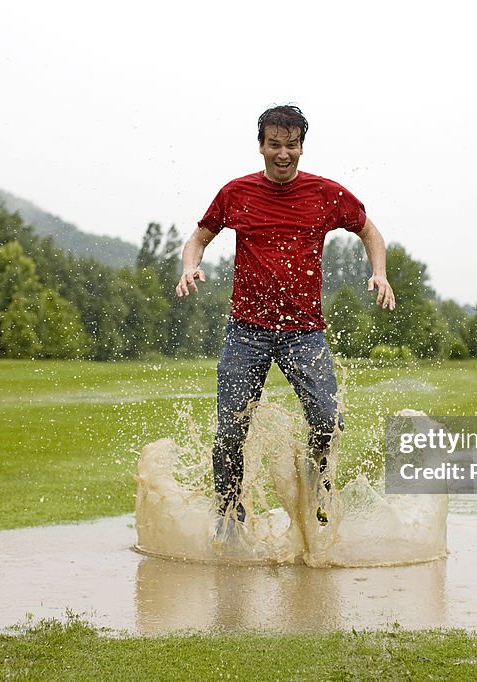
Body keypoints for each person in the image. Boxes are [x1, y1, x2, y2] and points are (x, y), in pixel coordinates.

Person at [176, 104, 395, 533]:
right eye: (274, 144)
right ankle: (228, 515)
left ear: (301, 147)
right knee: (230, 429)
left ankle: (316, 494)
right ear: (260, 146)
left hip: (304, 333)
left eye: (291, 145)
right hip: (247, 332)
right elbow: (198, 238)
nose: (283, 153)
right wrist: (189, 266)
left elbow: (369, 230)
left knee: (327, 419)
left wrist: (380, 273)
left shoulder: (326, 194)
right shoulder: (236, 193)